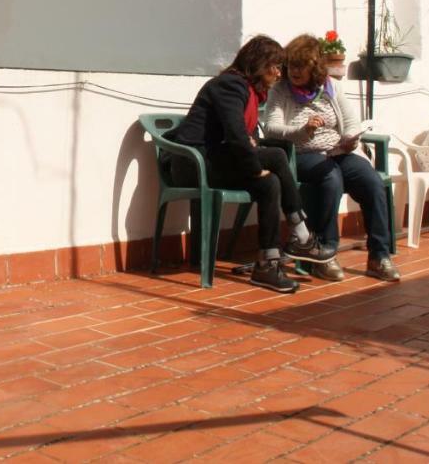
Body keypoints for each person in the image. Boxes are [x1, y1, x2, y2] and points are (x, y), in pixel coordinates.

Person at [168, 35, 332, 293]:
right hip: (193, 163)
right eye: (275, 66)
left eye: (281, 67)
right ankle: (301, 235)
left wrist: (255, 154)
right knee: (276, 158)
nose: (279, 73)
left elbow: (248, 137)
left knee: (270, 183)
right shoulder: (229, 86)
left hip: (218, 160)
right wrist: (255, 167)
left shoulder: (251, 93)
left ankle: (268, 264)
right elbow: (235, 135)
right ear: (259, 64)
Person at [264, 34, 401, 283]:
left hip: (337, 152)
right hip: (302, 154)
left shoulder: (331, 87)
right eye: (291, 65)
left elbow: (350, 122)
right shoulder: (280, 90)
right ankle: (325, 255)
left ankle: (378, 256)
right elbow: (271, 128)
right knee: (330, 176)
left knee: (372, 182)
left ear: (314, 67)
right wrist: (302, 130)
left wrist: (352, 139)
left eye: (301, 66)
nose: (294, 70)